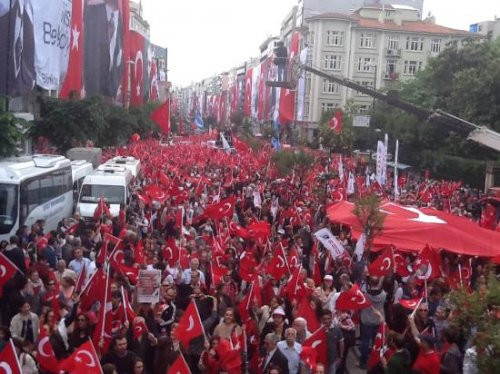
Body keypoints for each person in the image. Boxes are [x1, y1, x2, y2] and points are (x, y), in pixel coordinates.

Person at [359, 277, 386, 369]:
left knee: (365, 342)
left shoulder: (365, 295)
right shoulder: (383, 294)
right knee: (376, 342)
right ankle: (376, 361)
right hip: (378, 320)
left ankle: (363, 362)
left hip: (366, 320)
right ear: (378, 283)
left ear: (370, 282)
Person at [321, 309, 344, 374]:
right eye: (325, 319)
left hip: (333, 360)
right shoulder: (318, 330)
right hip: (321, 360)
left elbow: (341, 342)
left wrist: (340, 356)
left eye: (329, 318)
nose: (327, 321)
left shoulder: (337, 329)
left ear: (331, 318)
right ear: (321, 319)